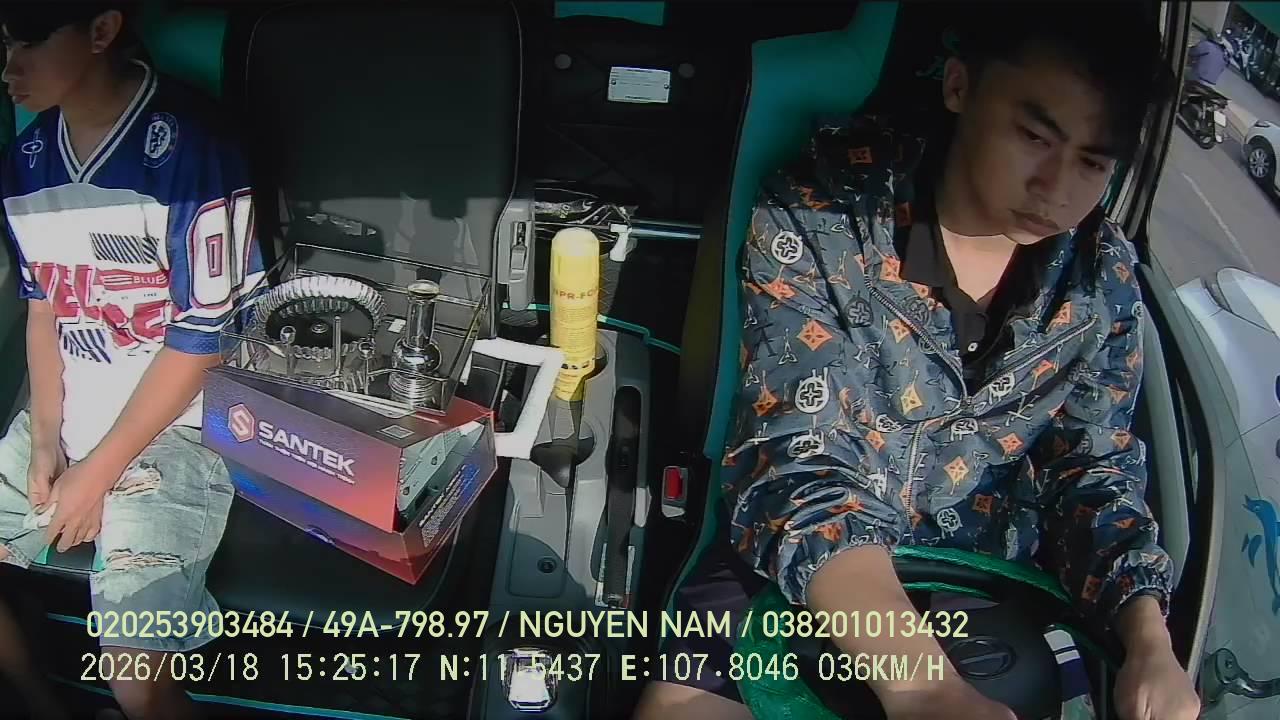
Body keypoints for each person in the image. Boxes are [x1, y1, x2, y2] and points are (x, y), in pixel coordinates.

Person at [635, 3, 1201, 720]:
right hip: (785, 566)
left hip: (985, 583)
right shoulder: (821, 212)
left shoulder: (1101, 278)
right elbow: (800, 462)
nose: (1057, 188)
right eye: (1035, 137)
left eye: (1092, 162)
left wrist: (1149, 641)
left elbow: (1093, 471)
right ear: (960, 86)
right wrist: (923, 686)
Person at [0, 2, 261, 718]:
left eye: (29, 42)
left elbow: (203, 342)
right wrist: (46, 440)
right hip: (68, 417)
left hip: (177, 430)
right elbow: (45, 308)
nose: (9, 68)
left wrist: (95, 475)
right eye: (3, 45)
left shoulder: (192, 149)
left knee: (134, 674)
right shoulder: (26, 160)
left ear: (101, 30)